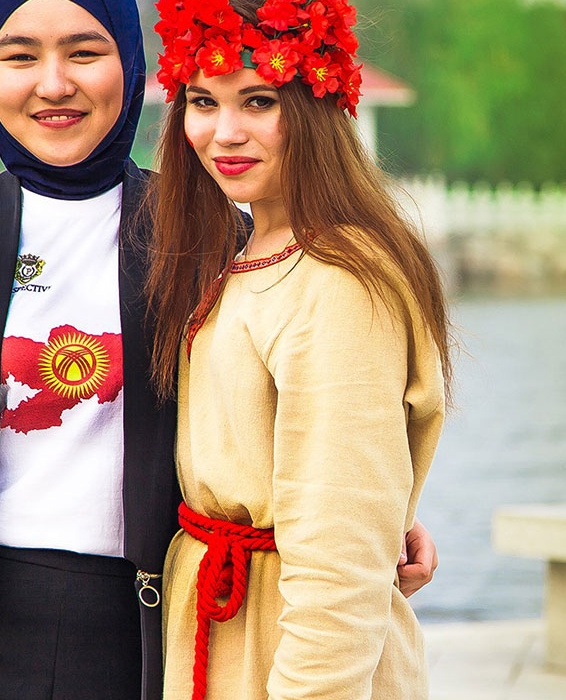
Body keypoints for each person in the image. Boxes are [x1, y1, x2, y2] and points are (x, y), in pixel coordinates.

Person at [0, 1, 437, 698]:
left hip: (139, 635)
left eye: (84, 52)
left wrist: (386, 514)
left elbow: (302, 418)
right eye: (19, 57)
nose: (53, 84)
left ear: (133, 66)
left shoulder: (210, 235)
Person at [144, 0, 453, 698]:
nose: (224, 133)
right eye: (201, 101)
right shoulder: (249, 250)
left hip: (293, 650)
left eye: (258, 100)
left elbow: (338, 569)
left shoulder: (338, 280)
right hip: (232, 626)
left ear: (315, 107)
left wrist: (368, 526)